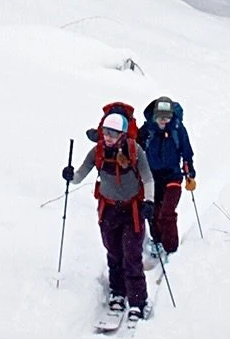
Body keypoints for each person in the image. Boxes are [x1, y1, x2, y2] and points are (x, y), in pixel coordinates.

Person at [62, 105, 155, 322]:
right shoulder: (98, 152)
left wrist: (149, 202)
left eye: (113, 133)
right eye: (106, 132)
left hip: (132, 210)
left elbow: (148, 178)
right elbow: (79, 176)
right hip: (108, 210)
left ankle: (138, 301)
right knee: (114, 254)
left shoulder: (135, 150)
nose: (108, 137)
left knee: (132, 255)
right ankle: (118, 294)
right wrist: (69, 176)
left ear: (123, 134)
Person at [139, 96, 194, 259]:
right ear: (154, 116)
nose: (163, 121)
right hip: (152, 177)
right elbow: (132, 144)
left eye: (167, 117)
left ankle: (171, 248)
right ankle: (157, 241)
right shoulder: (147, 130)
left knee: (167, 213)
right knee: (153, 211)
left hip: (173, 176)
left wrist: (189, 168)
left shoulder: (178, 129)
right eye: (159, 117)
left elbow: (186, 151)